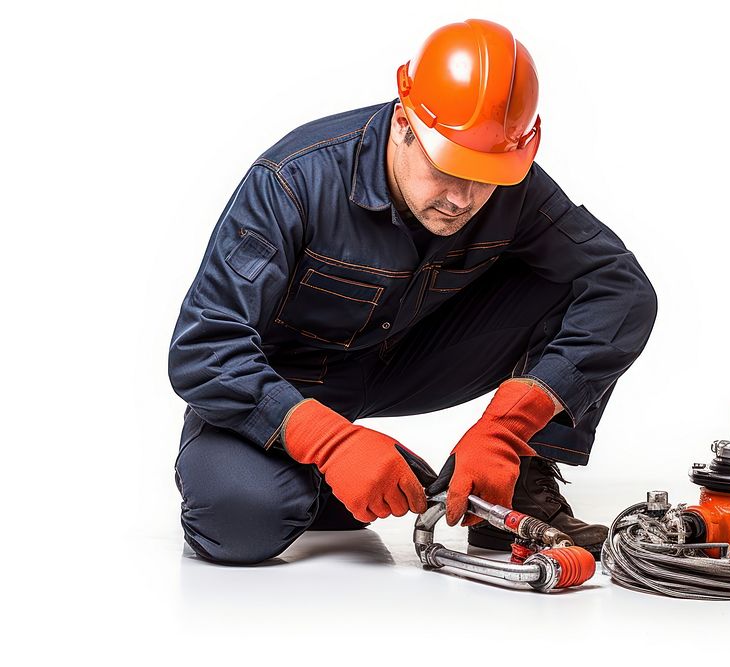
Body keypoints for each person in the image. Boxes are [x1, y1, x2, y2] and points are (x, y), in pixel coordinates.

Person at [168, 18, 658, 565]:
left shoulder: (507, 188)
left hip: (397, 363)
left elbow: (622, 288)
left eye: (487, 175)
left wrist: (506, 429)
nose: (463, 198)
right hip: (284, 384)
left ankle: (514, 483)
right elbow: (202, 349)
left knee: (590, 290)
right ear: (404, 122)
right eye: (447, 168)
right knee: (242, 521)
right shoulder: (293, 181)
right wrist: (329, 443)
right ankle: (316, 475)